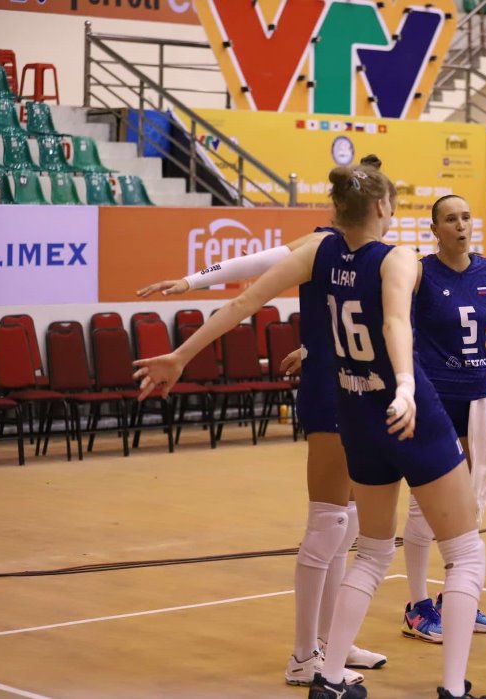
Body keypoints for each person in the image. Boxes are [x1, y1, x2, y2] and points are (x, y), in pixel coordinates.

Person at [133, 161, 486, 699]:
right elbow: (396, 323)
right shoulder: (396, 258)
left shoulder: (319, 250)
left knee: (368, 550)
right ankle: (451, 688)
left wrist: (182, 355)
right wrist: (404, 386)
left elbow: (243, 301)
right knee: (464, 553)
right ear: (381, 208)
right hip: (401, 407)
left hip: (353, 412)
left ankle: (326, 673)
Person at [135, 156, 392, 689]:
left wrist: (306, 343)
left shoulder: (373, 255)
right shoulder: (320, 244)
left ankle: (330, 643)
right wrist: (188, 299)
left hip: (357, 388)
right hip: (331, 392)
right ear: (378, 205)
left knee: (342, 523)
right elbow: (249, 278)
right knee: (327, 525)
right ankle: (304, 655)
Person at [401, 194, 486, 642]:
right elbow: (391, 322)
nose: (461, 225)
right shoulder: (419, 272)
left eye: (465, 217)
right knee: (428, 503)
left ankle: (457, 597)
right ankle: (418, 604)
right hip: (435, 397)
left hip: (479, 396)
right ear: (435, 230)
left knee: (472, 503)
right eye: (450, 219)